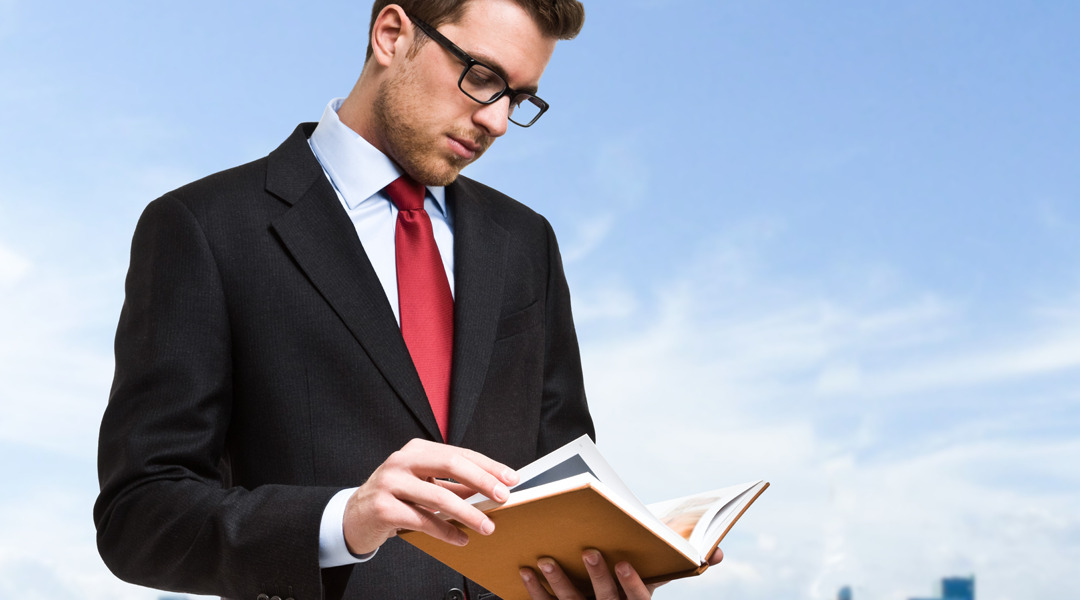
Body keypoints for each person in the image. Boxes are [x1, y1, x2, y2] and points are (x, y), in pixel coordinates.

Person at [94, 1, 721, 599]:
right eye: (482, 77)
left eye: (519, 99)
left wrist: (610, 562)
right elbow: (139, 516)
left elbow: (566, 477)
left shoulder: (525, 241)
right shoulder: (206, 227)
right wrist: (344, 519)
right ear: (392, 34)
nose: (497, 121)